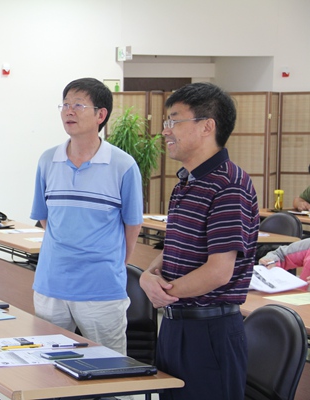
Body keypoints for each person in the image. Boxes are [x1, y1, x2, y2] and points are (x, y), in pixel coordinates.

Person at [139, 82, 260, 400]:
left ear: (207, 126)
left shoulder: (229, 185)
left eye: (174, 120)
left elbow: (219, 271)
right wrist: (149, 276)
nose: (165, 131)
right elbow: (174, 248)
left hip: (209, 332)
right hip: (176, 326)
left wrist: (164, 293)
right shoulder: (186, 182)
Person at [30, 77, 143, 355]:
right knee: (47, 366)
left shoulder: (123, 165)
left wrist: (113, 263)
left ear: (100, 115)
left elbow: (132, 225)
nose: (69, 111)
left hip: (100, 288)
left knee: (108, 364)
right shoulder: (47, 160)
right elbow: (45, 218)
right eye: (65, 104)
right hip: (51, 284)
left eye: (78, 105)